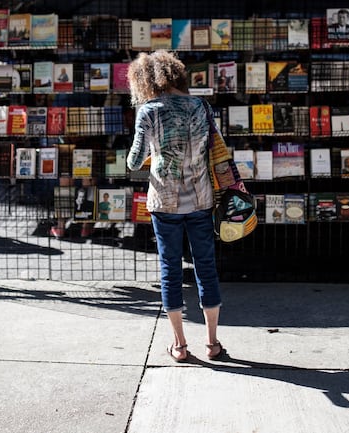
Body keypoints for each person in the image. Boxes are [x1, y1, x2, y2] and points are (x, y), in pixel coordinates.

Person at [126, 50, 223, 363]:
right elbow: (213, 147)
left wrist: (157, 152)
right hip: (200, 198)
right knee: (206, 268)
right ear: (178, 75)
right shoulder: (200, 106)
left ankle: (179, 345)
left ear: (145, 81)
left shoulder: (147, 111)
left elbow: (134, 162)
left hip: (164, 202)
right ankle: (212, 343)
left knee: (169, 270)